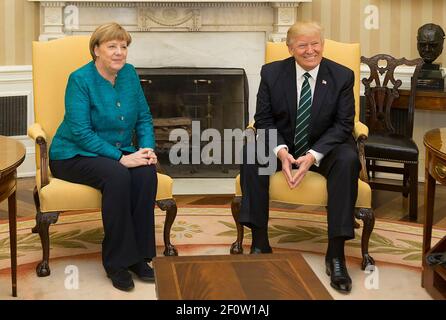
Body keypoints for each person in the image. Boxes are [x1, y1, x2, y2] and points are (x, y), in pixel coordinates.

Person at [239, 21, 359, 293]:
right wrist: (281, 153)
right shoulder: (272, 73)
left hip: (326, 147)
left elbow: (343, 124)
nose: (310, 50)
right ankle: (259, 243)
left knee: (348, 159)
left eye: (315, 43)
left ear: (323, 44)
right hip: (283, 143)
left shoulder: (342, 76)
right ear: (290, 47)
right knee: (251, 152)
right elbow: (264, 119)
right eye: (302, 45)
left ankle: (336, 254)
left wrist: (312, 156)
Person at [49, 22, 158, 292]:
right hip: (72, 154)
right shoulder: (80, 79)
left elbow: (144, 118)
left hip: (115, 151)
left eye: (123, 47)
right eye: (112, 46)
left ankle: (140, 257)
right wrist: (120, 158)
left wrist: (146, 150)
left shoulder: (130, 74)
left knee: (145, 173)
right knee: (118, 175)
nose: (119, 52)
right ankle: (117, 262)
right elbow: (81, 132)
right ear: (96, 50)